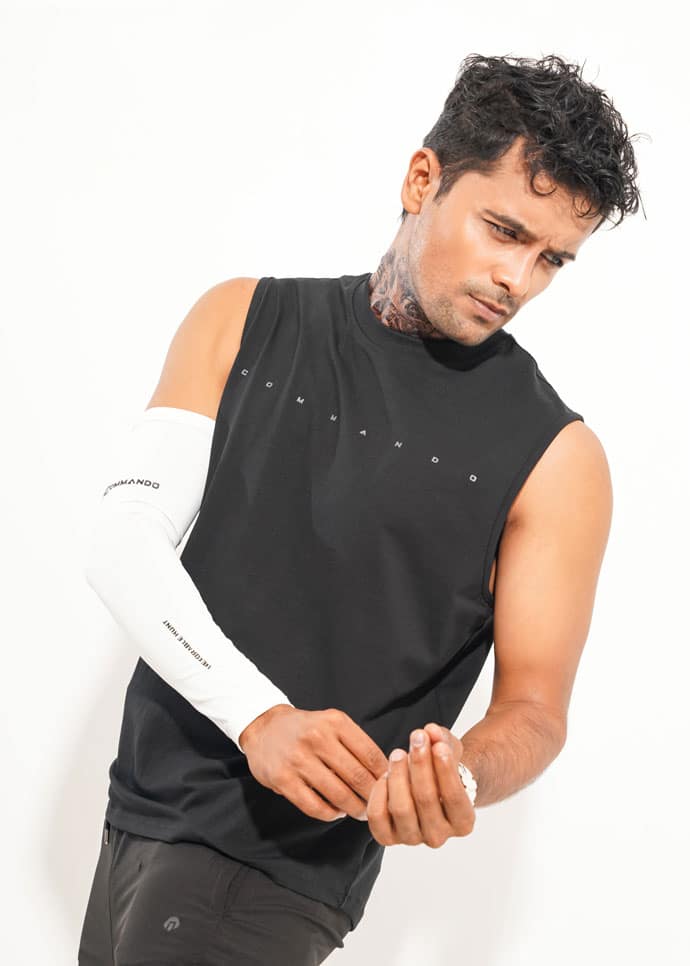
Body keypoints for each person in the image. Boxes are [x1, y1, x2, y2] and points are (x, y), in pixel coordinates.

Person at [77, 52, 640, 964]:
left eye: (551, 260)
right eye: (504, 230)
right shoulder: (242, 319)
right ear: (423, 180)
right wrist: (258, 717)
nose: (518, 279)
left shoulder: (556, 459)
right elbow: (123, 539)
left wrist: (460, 774)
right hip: (134, 817)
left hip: (274, 872)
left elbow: (535, 708)